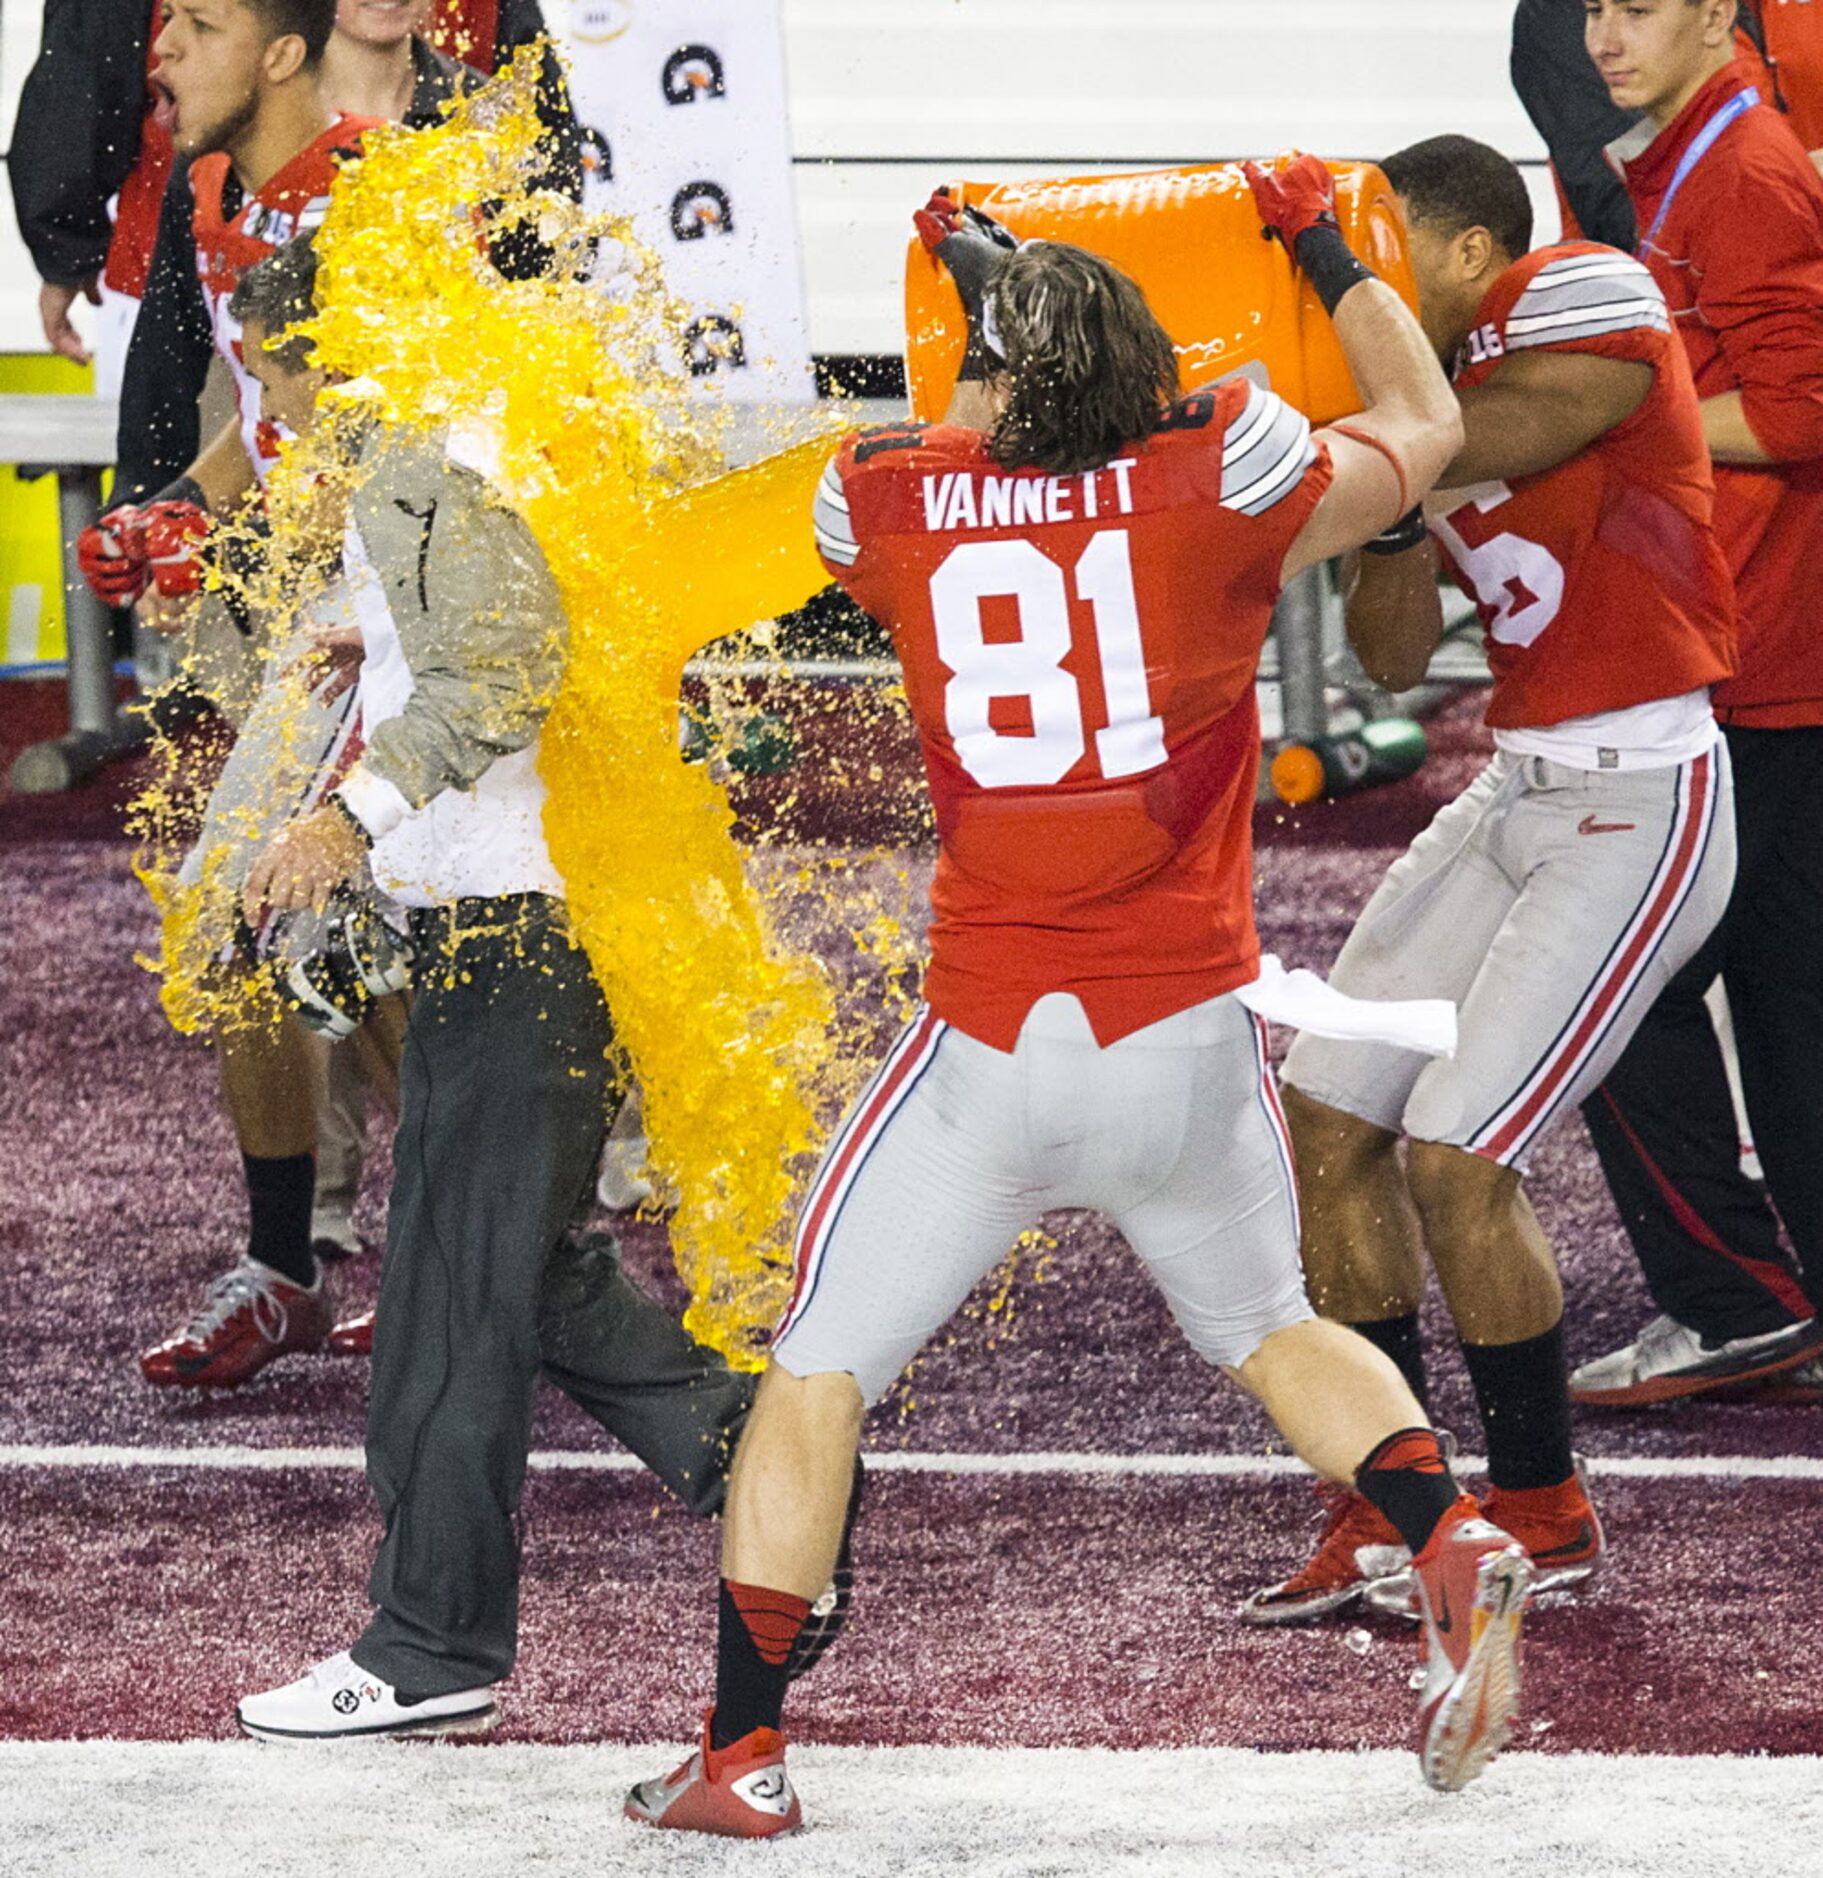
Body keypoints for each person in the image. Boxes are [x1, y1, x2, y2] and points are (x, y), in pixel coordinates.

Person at [626, 164, 1536, 1838]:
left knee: (817, 1375)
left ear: (998, 373)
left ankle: (738, 1752)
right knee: (1270, 1329)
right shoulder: (1229, 475)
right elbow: (1417, 414)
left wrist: (979, 278)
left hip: (992, 1040)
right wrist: (1320, 247)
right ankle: (1450, 1532)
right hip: (1183, 1037)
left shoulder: (881, 498)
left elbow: (959, 438)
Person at [215, 238, 757, 1737]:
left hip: (522, 922)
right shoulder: (480, 430)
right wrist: (373, 640)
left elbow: (506, 664)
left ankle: (431, 1643)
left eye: (278, 372)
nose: (276, 409)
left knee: (454, 1289)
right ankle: (769, 1462)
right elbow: (502, 633)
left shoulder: (425, 456)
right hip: (538, 912)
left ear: (334, 351)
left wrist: (350, 815)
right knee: (524, 1261)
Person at [1240, 133, 1740, 1633]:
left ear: (1468, 254)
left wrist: (1372, 423)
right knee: (1326, 1115)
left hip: (1644, 787)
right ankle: (1389, 1504)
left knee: (1461, 1156)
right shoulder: (1417, 407)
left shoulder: (1573, 290)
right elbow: (1393, 653)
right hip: (1517, 782)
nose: (1367, 279)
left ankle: (1543, 1502)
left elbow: (1535, 416)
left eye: (1392, 249)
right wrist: (1383, 491)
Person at [1567, 0, 1823, 1407]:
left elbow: (1801, 407)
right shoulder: (1697, 150)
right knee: (1788, 1011)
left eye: (1638, 9)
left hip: (1760, 657)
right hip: (1765, 649)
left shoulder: (1738, 168)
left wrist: (1619, 428)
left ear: (1716, 16)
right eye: (1594, 7)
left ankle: (1733, 1298)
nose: (1606, 35)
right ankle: (1775, 1300)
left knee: (1612, 981)